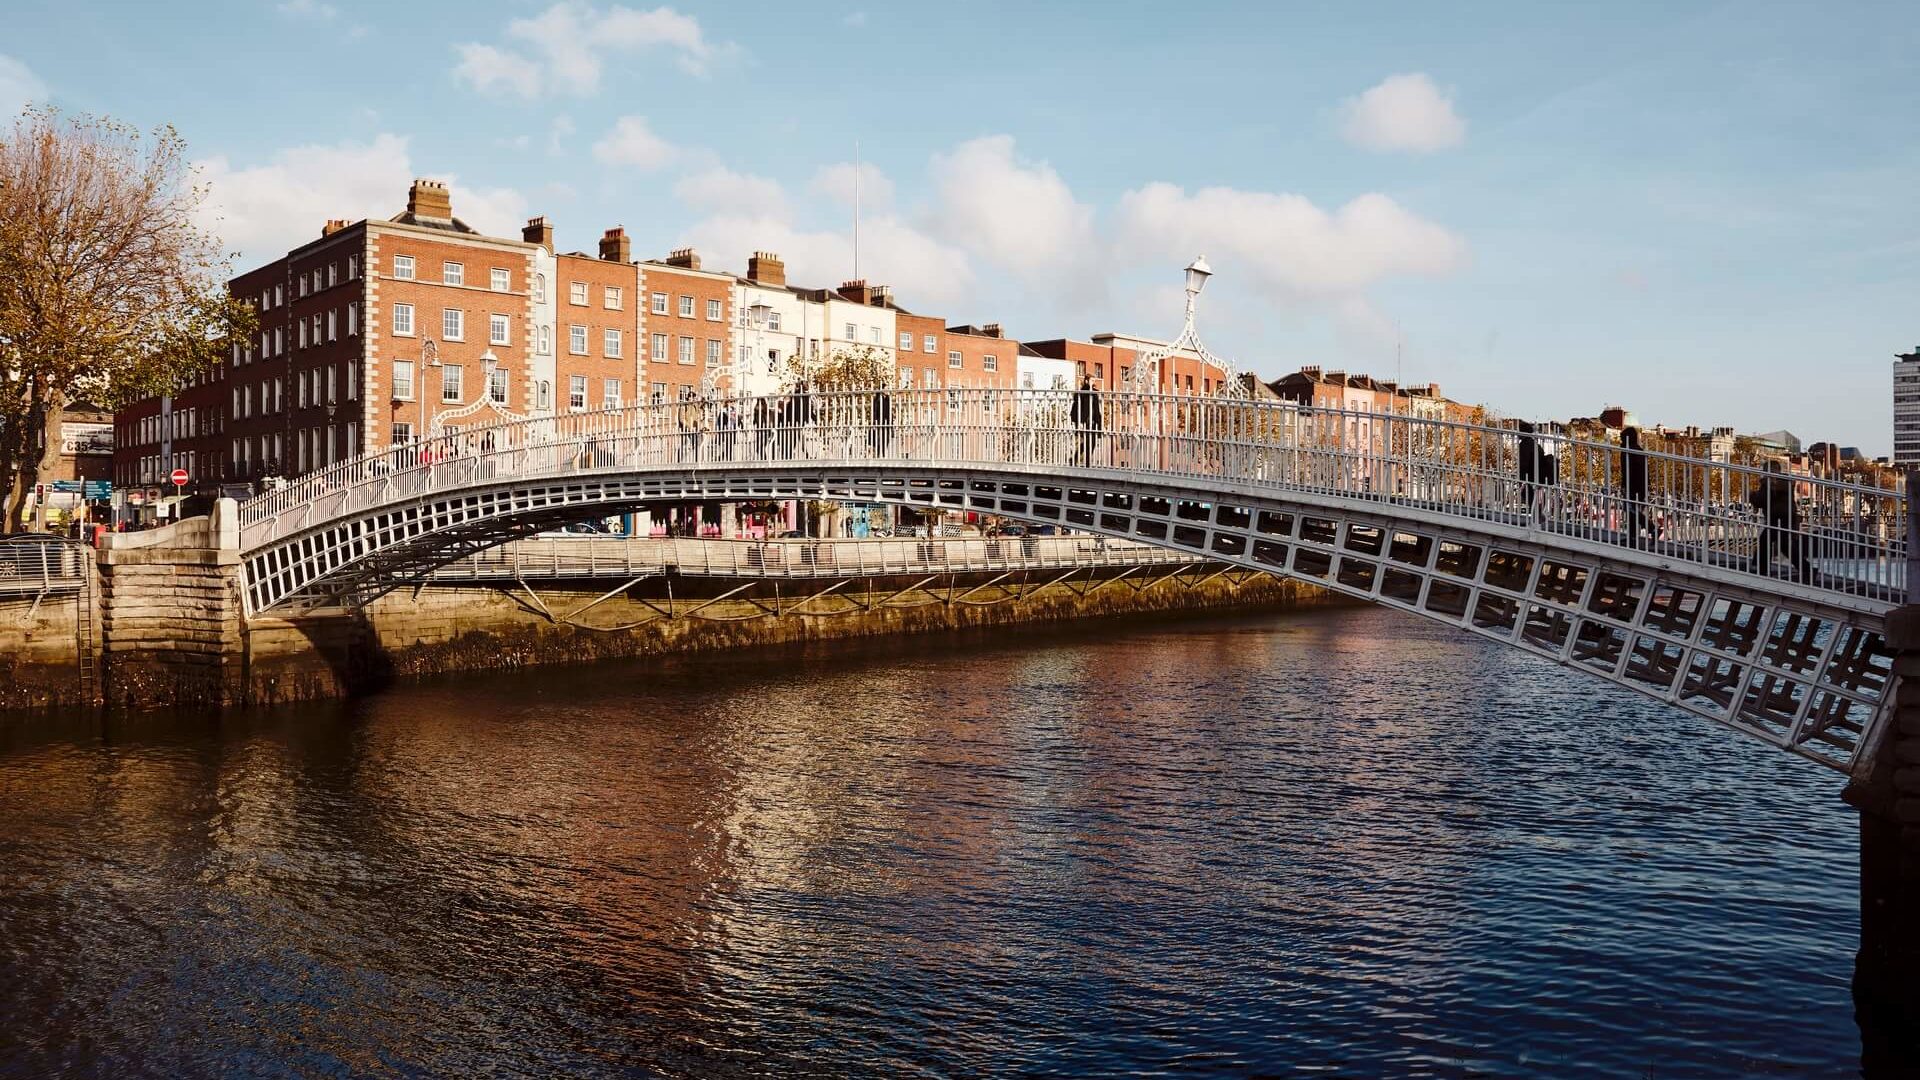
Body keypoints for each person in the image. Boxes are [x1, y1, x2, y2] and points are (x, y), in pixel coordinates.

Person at [1748, 460, 1808, 581]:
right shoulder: (1781, 482)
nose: (1765, 473)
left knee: (1766, 540)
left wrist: (1751, 495)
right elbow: (1764, 499)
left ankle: (1761, 568)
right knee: (1781, 545)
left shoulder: (1774, 483)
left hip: (1780, 518)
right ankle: (1806, 569)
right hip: (1782, 517)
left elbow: (1762, 499)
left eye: (1766, 471)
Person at [1621, 426, 1651, 545]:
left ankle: (1652, 528)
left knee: (1630, 510)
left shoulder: (1628, 451)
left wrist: (1624, 484)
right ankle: (1632, 537)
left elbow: (1628, 471)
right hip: (1641, 486)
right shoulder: (1639, 450)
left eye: (1622, 438)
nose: (1620, 441)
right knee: (1632, 511)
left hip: (1633, 485)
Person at [1070, 375, 1101, 466]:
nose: (1093, 382)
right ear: (1087, 381)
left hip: (1094, 420)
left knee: (1093, 442)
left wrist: (1098, 421)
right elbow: (1077, 405)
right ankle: (1087, 463)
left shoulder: (1094, 392)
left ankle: (1075, 458)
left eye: (1094, 380)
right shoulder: (1082, 392)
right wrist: (1078, 422)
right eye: (1092, 380)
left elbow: (1096, 408)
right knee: (1088, 442)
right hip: (1085, 420)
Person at [868, 388, 893, 458]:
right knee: (880, 439)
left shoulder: (886, 399)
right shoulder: (878, 400)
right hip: (880, 422)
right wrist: (874, 422)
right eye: (886, 389)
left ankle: (881, 454)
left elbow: (888, 410)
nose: (887, 390)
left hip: (886, 422)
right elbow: (875, 411)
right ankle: (879, 454)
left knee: (885, 439)